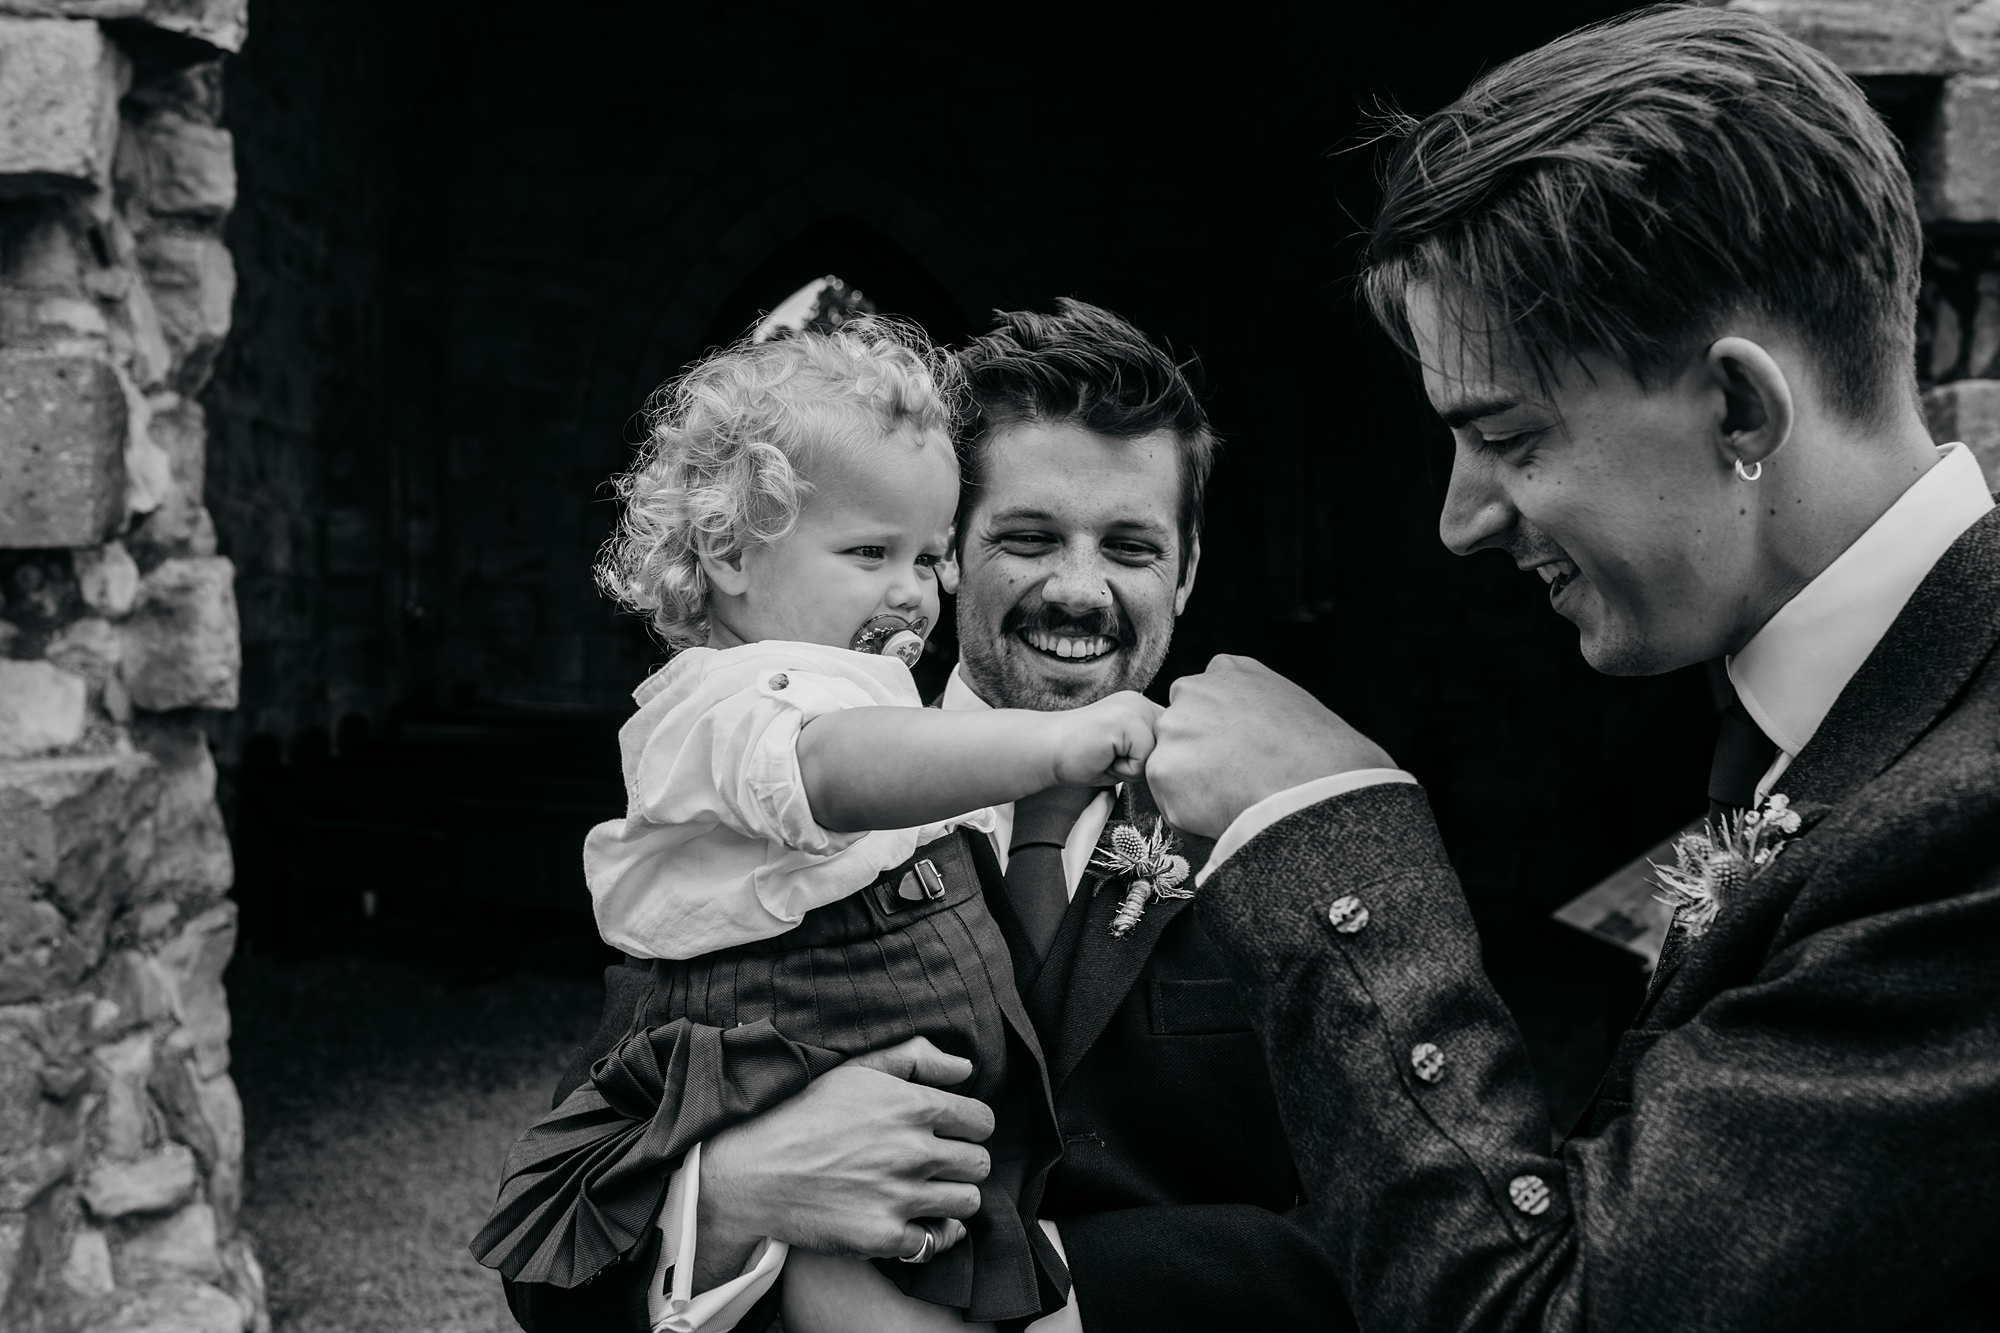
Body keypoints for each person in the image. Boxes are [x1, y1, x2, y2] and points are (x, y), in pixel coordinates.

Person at [1146, 7, 2000, 1329]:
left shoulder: (1972, 818)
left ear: (1739, 408)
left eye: (1510, 435)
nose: (1461, 516)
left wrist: (1326, 840)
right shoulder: (1855, 703)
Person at [528, 299, 1348, 1332]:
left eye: (1130, 547)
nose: (1078, 589)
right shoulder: (788, 796)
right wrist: (727, 1200)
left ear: (1185, 569)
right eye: (1028, 536)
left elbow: (1397, 1236)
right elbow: (554, 1246)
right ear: (951, 546)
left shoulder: (1284, 837)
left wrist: (1061, 1299)